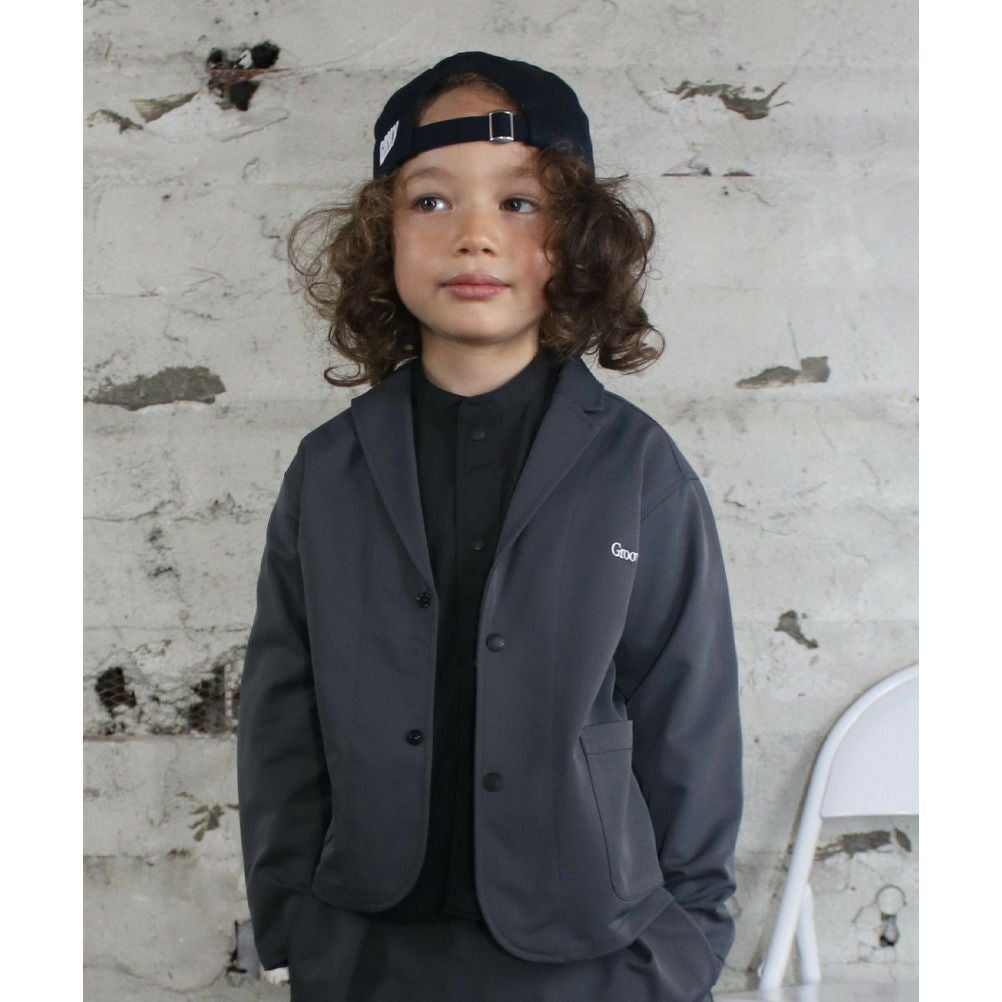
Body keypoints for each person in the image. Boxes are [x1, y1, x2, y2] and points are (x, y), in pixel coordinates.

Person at [237, 51, 743, 1002]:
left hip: (592, 953)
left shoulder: (639, 468)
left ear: (577, 239)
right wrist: (289, 926)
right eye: (431, 201)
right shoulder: (329, 470)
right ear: (383, 236)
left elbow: (691, 717)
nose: (474, 235)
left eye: (518, 202)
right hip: (367, 950)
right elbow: (278, 715)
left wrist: (688, 944)